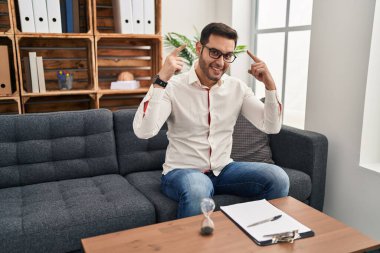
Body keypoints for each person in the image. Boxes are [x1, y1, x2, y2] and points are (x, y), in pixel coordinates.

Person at [133, 22, 289, 218]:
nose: (221, 62)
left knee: (278, 178)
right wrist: (162, 78)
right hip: (182, 172)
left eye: (227, 55)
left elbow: (271, 126)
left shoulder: (237, 89)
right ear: (199, 48)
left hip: (224, 170)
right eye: (214, 52)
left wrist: (270, 84)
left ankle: (259, 238)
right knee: (198, 188)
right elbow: (144, 131)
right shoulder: (172, 87)